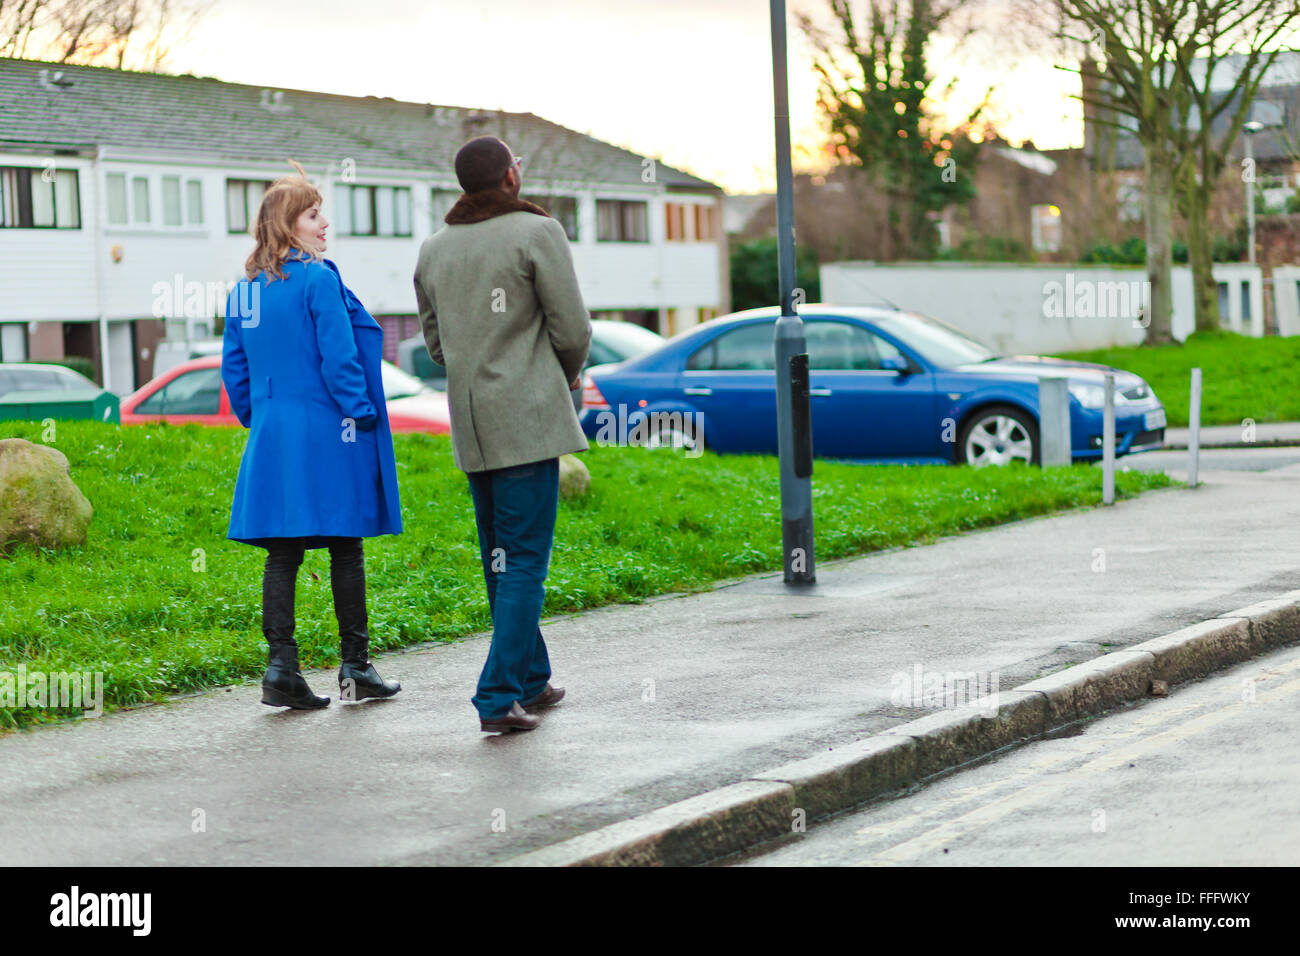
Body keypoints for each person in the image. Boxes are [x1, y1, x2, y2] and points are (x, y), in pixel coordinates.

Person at [414, 136, 591, 733]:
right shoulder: (537, 234)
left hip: (471, 423)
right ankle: (496, 697)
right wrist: (557, 379)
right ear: (509, 177)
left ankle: (530, 680)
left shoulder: (435, 249)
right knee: (523, 562)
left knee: (500, 558)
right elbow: (573, 327)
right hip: (526, 418)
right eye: (518, 163)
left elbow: (436, 344)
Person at [222, 160, 402, 710]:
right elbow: (339, 359)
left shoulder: (246, 290)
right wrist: (363, 412)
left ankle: (281, 669)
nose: (324, 224)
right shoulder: (320, 279)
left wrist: (263, 417)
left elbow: (234, 370)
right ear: (288, 224)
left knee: (283, 551)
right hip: (330, 430)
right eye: (313, 215)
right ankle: (356, 667)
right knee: (345, 546)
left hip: (274, 433)